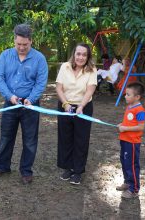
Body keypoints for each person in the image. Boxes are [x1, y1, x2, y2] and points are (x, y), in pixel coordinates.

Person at [0, 24, 48, 185]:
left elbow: (41, 82)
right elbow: (0, 78)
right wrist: (10, 96)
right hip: (10, 103)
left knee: (30, 139)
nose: (21, 48)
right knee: (6, 137)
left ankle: (26, 171)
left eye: (25, 45)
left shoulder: (40, 59)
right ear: (14, 40)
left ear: (31, 41)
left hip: (30, 105)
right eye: (19, 44)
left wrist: (31, 98)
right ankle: (3, 167)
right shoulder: (5, 55)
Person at [56, 43, 97, 185]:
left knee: (81, 139)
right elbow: (59, 88)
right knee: (65, 137)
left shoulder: (92, 70)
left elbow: (90, 90)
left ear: (88, 56)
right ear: (74, 54)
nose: (80, 57)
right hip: (65, 106)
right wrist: (66, 104)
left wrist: (81, 106)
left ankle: (78, 171)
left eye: (84, 55)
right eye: (78, 54)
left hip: (83, 107)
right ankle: (67, 168)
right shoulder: (64, 67)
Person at [116, 82, 145, 199]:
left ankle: (134, 189)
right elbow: (129, 122)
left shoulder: (140, 110)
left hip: (132, 142)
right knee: (124, 162)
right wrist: (122, 124)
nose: (125, 96)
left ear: (137, 97)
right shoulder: (129, 107)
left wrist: (125, 128)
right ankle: (128, 182)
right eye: (125, 94)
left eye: (128, 94)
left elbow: (141, 127)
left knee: (132, 165)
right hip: (124, 140)